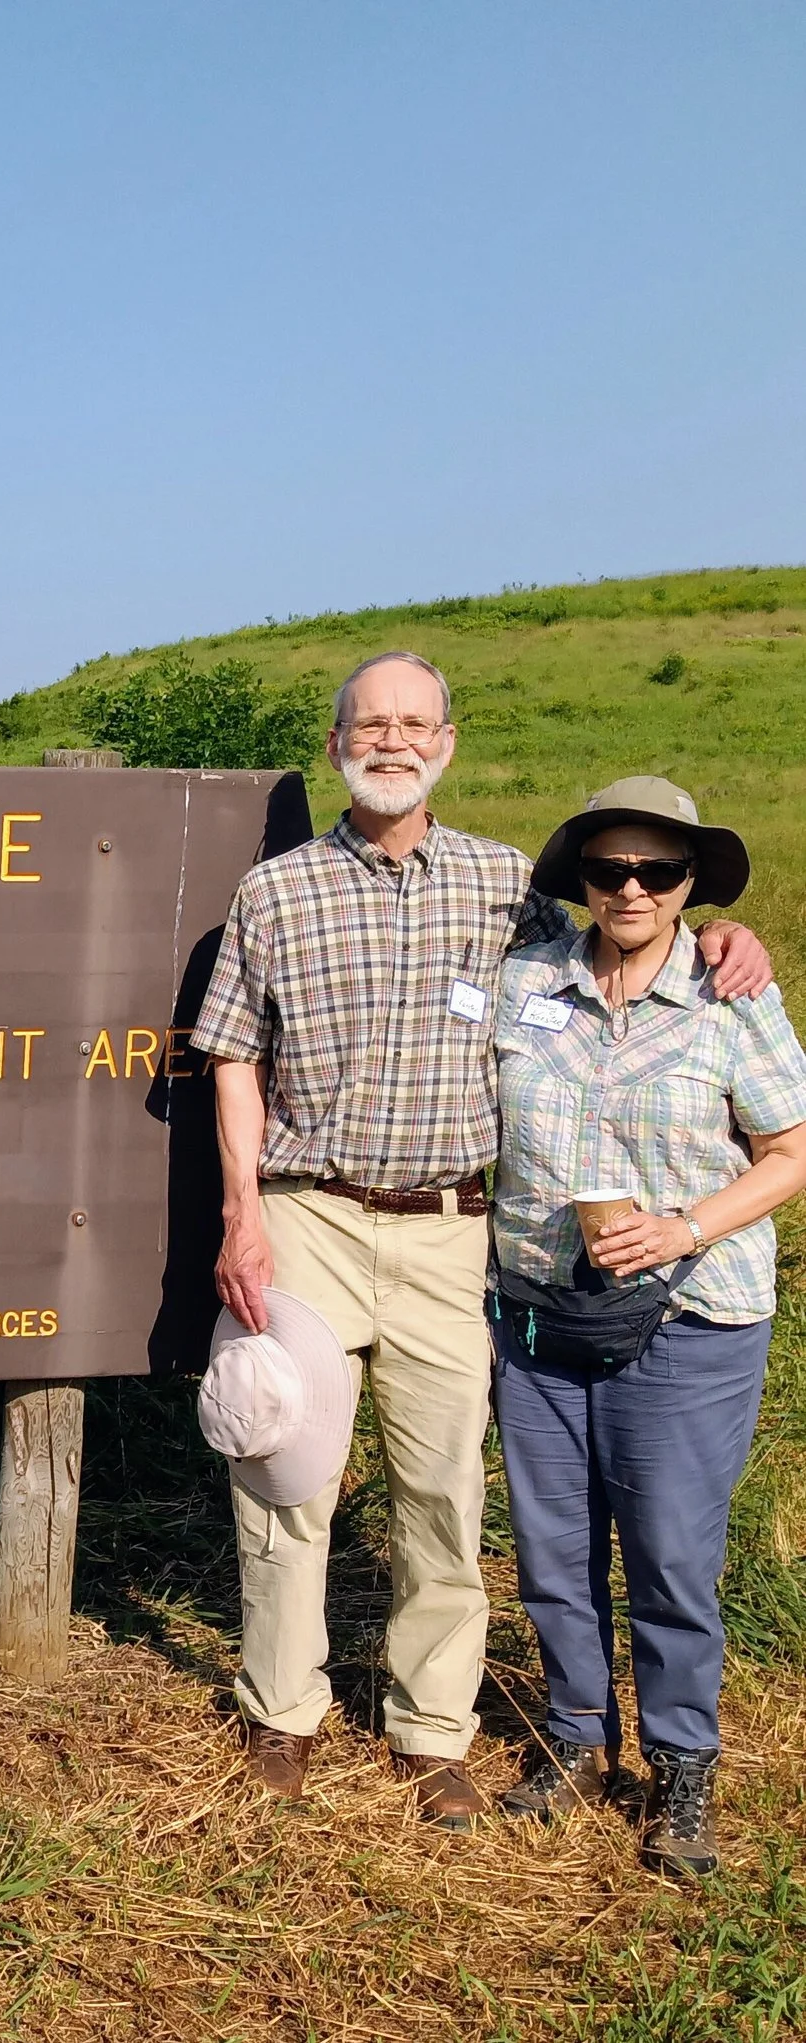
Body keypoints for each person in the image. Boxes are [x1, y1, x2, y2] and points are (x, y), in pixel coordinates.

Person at [191, 650, 770, 1829]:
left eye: (413, 723)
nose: (391, 741)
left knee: (443, 1489)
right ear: (336, 742)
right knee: (284, 1474)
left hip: (456, 1229)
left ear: (447, 742)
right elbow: (235, 1059)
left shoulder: (509, 890)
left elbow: (630, 927)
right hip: (308, 1212)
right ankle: (281, 1710)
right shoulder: (275, 893)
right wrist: (242, 1211)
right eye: (369, 724)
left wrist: (730, 936)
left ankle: (432, 1728)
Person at [487, 778, 806, 1875]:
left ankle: (680, 1767)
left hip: (688, 1313)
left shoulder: (732, 994)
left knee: (670, 1555)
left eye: (656, 871)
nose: (629, 888)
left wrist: (683, 1229)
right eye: (608, 867)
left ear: (687, 885)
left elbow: (790, 1154)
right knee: (551, 1549)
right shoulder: (524, 976)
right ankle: (575, 1739)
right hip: (536, 1304)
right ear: (578, 876)